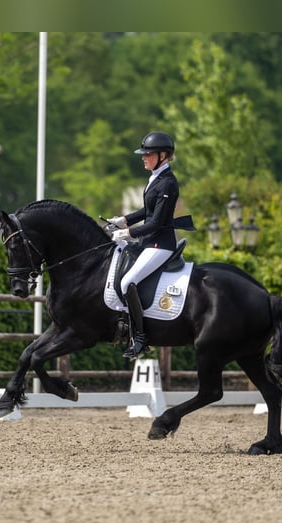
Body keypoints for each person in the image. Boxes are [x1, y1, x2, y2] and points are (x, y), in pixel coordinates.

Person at [108, 131, 179, 359]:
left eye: (148, 154)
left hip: (161, 244)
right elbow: (147, 212)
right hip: (148, 242)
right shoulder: (155, 179)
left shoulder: (168, 183)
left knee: (128, 281)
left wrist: (127, 232)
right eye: (144, 154)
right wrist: (124, 220)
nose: (143, 157)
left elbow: (157, 222)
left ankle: (140, 338)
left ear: (163, 156)